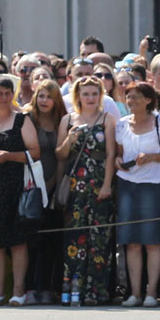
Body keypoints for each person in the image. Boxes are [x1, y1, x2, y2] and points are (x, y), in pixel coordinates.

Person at [114, 81, 160, 307]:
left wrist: (150, 157)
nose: (131, 102)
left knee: (153, 241)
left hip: (153, 184)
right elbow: (119, 154)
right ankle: (135, 293)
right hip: (127, 185)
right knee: (130, 242)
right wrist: (118, 161)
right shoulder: (121, 125)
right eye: (129, 97)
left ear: (149, 100)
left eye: (137, 97)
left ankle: (151, 292)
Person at [56, 76, 116, 305]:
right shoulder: (67, 120)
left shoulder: (107, 119)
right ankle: (73, 290)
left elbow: (111, 154)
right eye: (86, 94)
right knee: (75, 239)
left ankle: (96, 292)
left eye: (94, 94)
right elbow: (60, 154)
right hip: (75, 186)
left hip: (99, 182)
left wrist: (107, 184)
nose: (90, 98)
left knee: (99, 239)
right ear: (77, 96)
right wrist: (69, 139)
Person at [24, 79, 67, 303]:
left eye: (49, 96)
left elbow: (62, 156)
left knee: (52, 240)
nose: (44, 100)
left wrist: (53, 184)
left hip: (54, 185)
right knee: (31, 239)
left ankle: (49, 287)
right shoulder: (28, 118)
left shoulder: (62, 120)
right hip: (30, 186)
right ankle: (30, 287)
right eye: (41, 95)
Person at [0, 76, 41, 306]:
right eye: (0, 93)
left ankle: (18, 291)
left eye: (8, 93)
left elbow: (35, 152)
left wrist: (8, 156)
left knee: (17, 242)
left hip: (17, 185)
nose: (4, 98)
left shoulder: (21, 120)